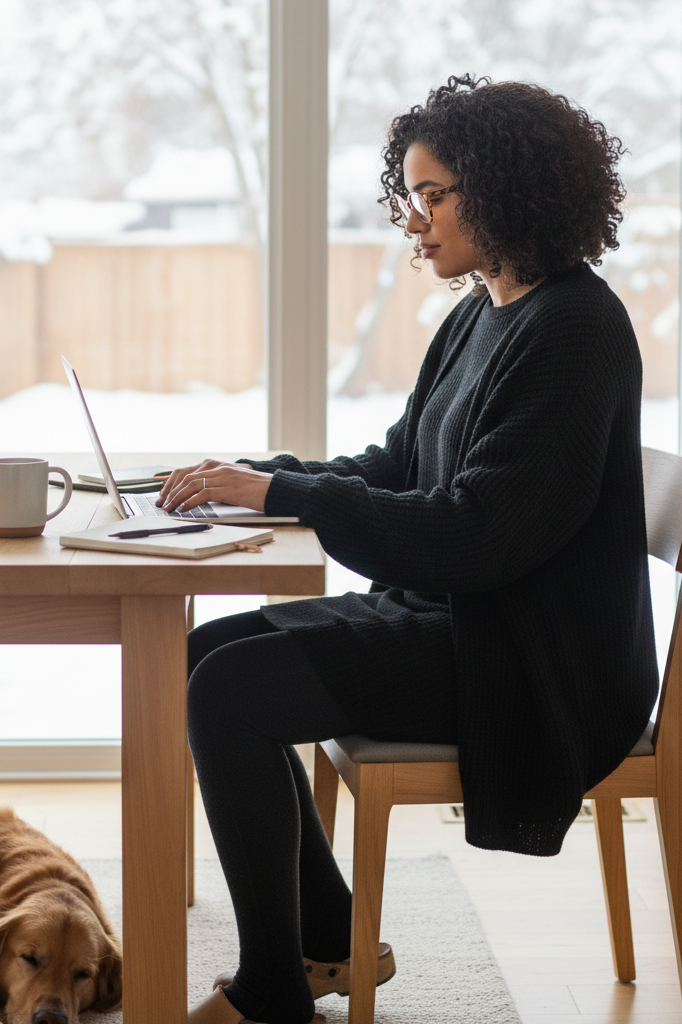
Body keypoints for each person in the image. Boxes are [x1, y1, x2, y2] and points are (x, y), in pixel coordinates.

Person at [158, 75, 659, 1024]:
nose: (415, 222)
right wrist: (258, 475)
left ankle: (276, 985)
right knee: (204, 652)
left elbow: (479, 532)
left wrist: (282, 494)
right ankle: (331, 937)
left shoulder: (576, 331)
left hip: (528, 659)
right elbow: (400, 462)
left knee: (228, 692)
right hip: (462, 619)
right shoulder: (484, 309)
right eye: (411, 198)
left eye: (435, 198)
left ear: (510, 190)